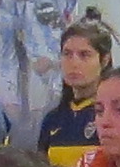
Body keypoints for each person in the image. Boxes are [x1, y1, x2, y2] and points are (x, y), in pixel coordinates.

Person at [33, 16, 115, 156]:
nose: (74, 63)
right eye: (67, 54)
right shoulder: (53, 119)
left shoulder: (113, 117)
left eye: (84, 55)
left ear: (104, 60)